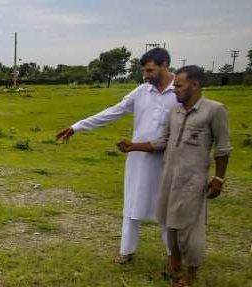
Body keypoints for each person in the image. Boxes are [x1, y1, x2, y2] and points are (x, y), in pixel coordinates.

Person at [56, 48, 177, 264]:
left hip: (170, 159)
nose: (146, 75)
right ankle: (126, 251)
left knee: (167, 207)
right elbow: (114, 111)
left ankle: (173, 255)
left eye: (150, 70)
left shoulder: (181, 90)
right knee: (132, 203)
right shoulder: (141, 92)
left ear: (165, 65)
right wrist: (77, 127)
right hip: (138, 157)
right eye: (144, 71)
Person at [121, 65, 231, 287]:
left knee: (189, 229)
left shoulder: (214, 110)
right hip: (168, 177)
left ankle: (190, 276)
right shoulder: (176, 112)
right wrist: (134, 146)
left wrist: (218, 179)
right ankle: (173, 269)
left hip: (192, 180)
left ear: (195, 85)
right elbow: (162, 142)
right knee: (168, 224)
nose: (175, 91)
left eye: (179, 87)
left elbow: (223, 149)